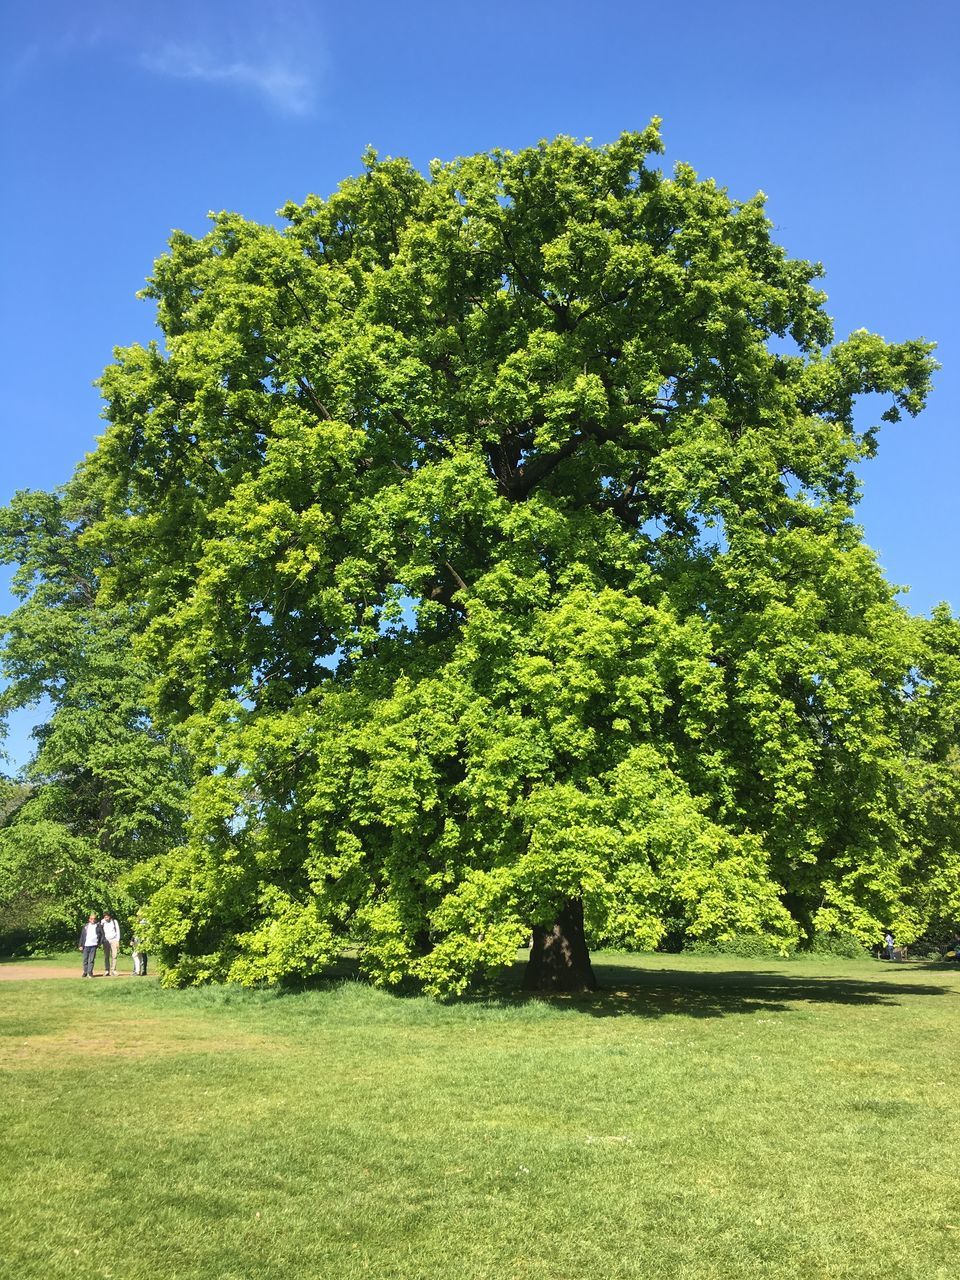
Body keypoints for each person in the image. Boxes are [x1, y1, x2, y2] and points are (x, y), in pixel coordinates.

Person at [78, 913, 102, 978]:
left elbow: (102, 935)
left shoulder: (98, 926)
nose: (93, 920)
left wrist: (99, 943)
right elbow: (82, 936)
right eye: (91, 919)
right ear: (89, 919)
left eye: (94, 919)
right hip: (86, 945)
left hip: (93, 945)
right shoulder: (86, 926)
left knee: (91, 960)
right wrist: (80, 945)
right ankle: (85, 972)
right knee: (85, 960)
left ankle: (90, 972)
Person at [101, 910, 121, 977]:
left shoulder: (114, 922)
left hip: (114, 940)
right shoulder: (102, 922)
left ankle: (113, 970)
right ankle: (107, 970)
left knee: (114, 955)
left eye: (107, 917)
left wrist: (117, 940)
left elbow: (118, 931)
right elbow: (101, 931)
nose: (106, 918)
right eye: (105, 917)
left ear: (109, 916)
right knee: (106, 956)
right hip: (106, 941)